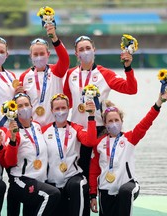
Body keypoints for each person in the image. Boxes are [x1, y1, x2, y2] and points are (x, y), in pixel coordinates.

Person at [63, 35, 138, 185]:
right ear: (76, 54)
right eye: (81, 49)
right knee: (80, 174)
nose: (85, 52)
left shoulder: (105, 73)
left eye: (88, 48)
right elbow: (67, 103)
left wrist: (128, 68)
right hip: (78, 130)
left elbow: (131, 89)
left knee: (102, 171)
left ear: (94, 50)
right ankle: (83, 205)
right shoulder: (71, 74)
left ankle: (105, 201)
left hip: (99, 130)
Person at [89, 90, 167, 216]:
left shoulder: (130, 138)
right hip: (105, 190)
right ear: (105, 124)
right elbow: (93, 171)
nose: (114, 123)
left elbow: (146, 123)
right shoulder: (99, 144)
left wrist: (158, 103)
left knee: (125, 192)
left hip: (128, 186)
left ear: (122, 121)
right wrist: (93, 194)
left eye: (116, 120)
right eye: (110, 121)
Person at [4, 93, 61, 216]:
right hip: (21, 180)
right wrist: (13, 139)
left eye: (26, 104)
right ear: (15, 110)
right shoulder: (14, 132)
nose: (24, 108)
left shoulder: (37, 126)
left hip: (39, 181)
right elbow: (9, 162)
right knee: (52, 194)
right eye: (20, 106)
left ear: (31, 106)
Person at [42, 93, 97, 216]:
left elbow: (91, 141)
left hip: (72, 177)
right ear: (52, 110)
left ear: (68, 109)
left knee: (79, 184)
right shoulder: (44, 130)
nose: (60, 112)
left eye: (63, 108)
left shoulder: (76, 128)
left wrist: (91, 116)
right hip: (52, 180)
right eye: (57, 108)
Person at [19, 24, 70, 127]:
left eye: (42, 54)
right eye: (36, 54)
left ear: (48, 54)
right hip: (34, 128)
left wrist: (54, 37)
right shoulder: (24, 76)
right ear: (31, 56)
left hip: (54, 127)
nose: (39, 57)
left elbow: (65, 59)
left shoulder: (56, 71)